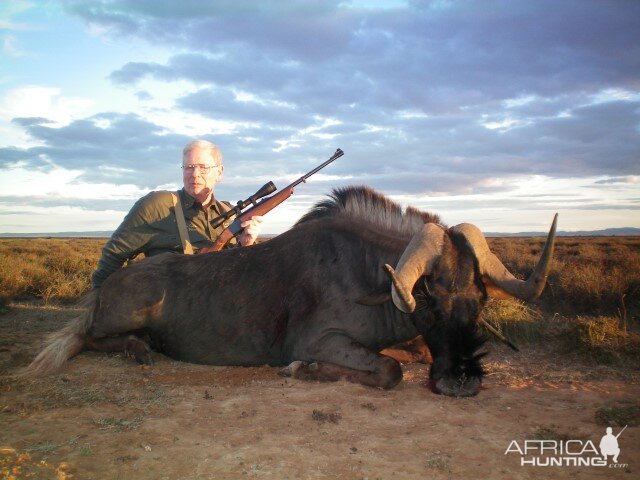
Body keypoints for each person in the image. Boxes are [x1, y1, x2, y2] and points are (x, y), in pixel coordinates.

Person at [91, 139, 263, 288]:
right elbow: (113, 256)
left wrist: (247, 244)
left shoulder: (231, 215)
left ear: (219, 172)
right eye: (189, 167)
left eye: (203, 167)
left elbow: (243, 277)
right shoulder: (157, 205)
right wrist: (98, 306)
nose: (195, 174)